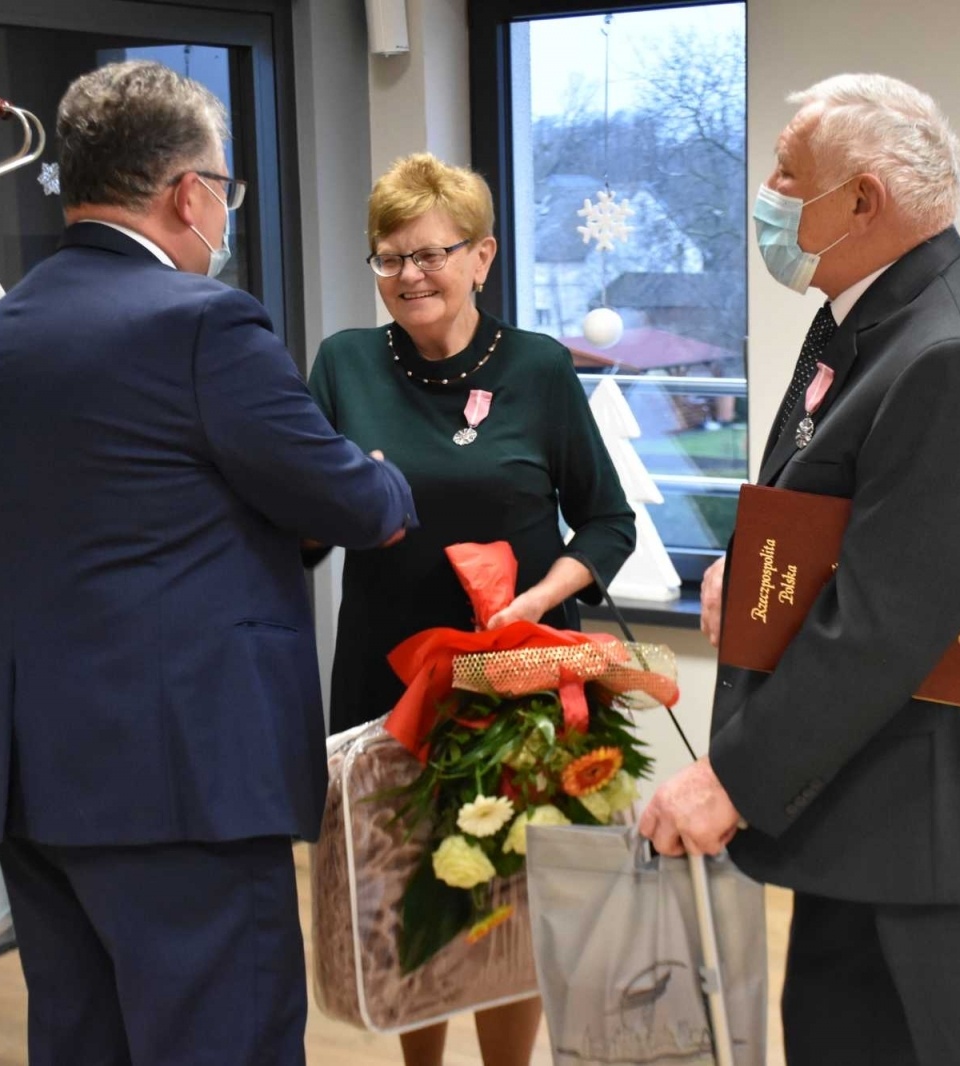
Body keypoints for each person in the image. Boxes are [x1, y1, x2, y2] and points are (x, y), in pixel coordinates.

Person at [637, 73, 960, 1065]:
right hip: (873, 804)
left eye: (788, 172)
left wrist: (731, 778)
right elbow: (867, 514)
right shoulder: (875, 316)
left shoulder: (953, 351)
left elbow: (884, 622)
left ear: (863, 199)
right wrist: (752, 568)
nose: (767, 193)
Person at [0, 61, 415, 1066]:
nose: (224, 212)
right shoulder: (201, 324)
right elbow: (355, 503)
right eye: (225, 188)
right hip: (181, 779)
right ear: (189, 193)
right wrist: (379, 475)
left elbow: (108, 519)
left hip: (31, 774)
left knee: (83, 1040)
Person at [306, 152, 636, 1066]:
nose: (408, 276)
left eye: (430, 254)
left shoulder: (538, 367)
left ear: (482, 256)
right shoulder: (343, 364)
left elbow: (608, 522)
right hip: (387, 679)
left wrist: (538, 599)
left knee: (507, 904)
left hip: (515, 682)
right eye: (389, 257)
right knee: (405, 890)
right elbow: (304, 525)